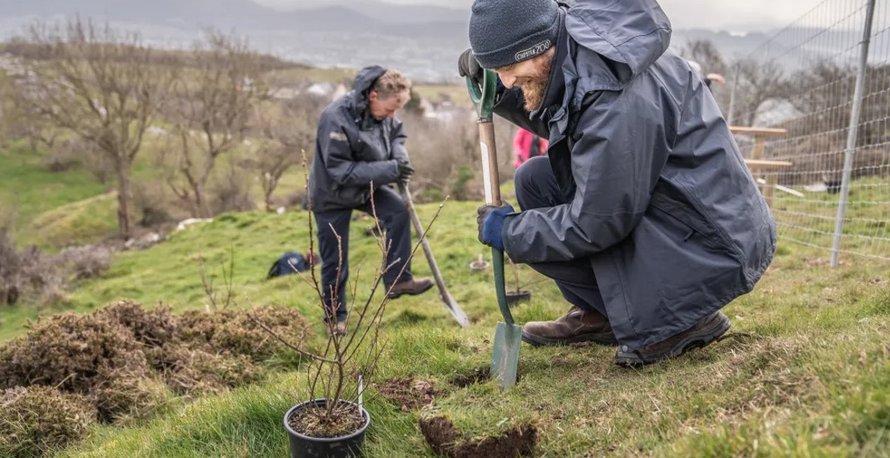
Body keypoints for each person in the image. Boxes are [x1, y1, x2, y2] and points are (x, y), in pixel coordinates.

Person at [459, 0, 775, 367]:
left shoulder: (614, 93)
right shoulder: (576, 49)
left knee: (576, 219)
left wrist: (510, 231)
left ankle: (681, 320)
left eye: (508, 69)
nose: (507, 79)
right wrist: (499, 95)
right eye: (497, 71)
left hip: (708, 240)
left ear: (537, 46)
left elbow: (597, 222)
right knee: (535, 181)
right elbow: (568, 115)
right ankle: (603, 312)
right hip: (678, 210)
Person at [308, 66, 434, 336]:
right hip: (332, 195)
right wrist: (390, 169)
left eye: (397, 109)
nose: (393, 115)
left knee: (398, 211)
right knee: (335, 259)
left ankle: (398, 280)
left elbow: (397, 133)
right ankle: (335, 318)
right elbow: (340, 171)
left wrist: (399, 158)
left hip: (367, 186)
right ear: (373, 96)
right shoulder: (335, 118)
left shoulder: (385, 114)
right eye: (390, 109)